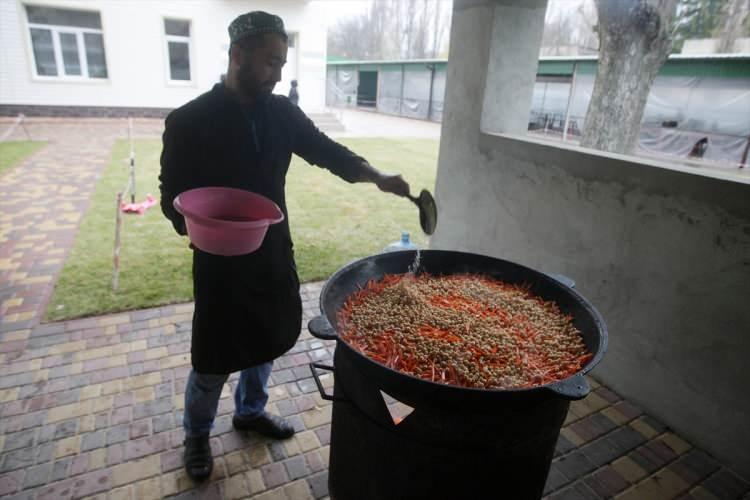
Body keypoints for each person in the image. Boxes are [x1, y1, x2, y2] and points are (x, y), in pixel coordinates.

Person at [158, 11, 410, 483]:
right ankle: (196, 434)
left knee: (266, 340)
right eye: (271, 62)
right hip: (218, 262)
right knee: (211, 358)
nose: (278, 74)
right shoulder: (189, 121)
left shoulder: (281, 113)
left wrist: (377, 177)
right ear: (238, 56)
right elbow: (171, 193)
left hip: (272, 250)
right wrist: (198, 226)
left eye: (282, 62)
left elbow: (326, 150)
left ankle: (250, 412)